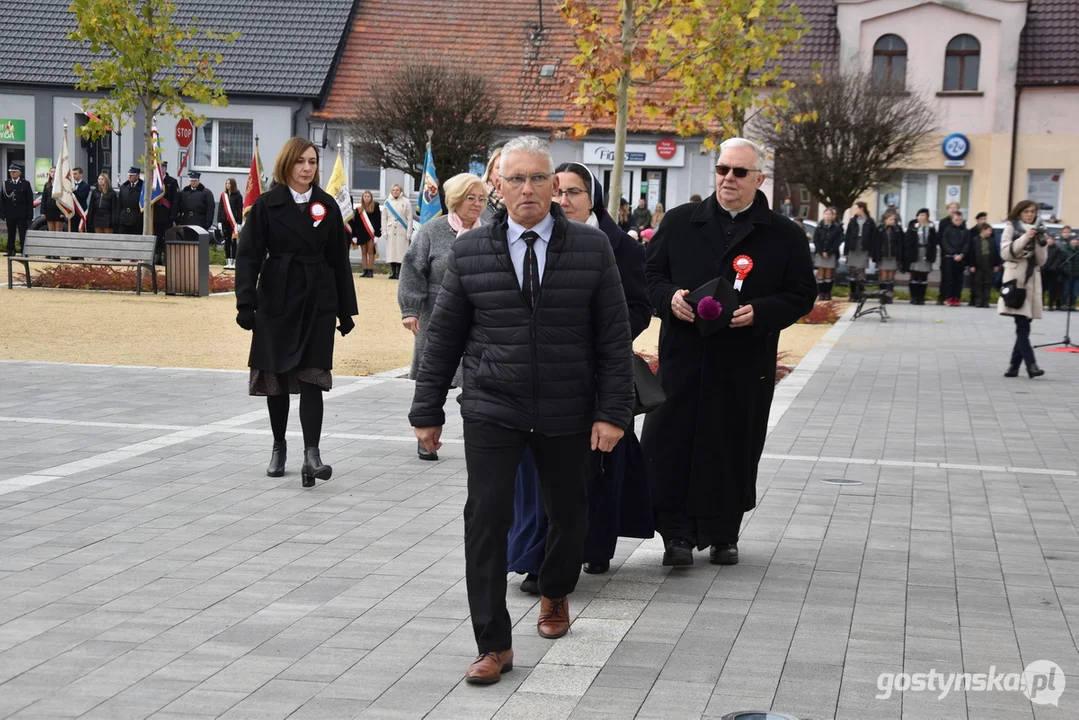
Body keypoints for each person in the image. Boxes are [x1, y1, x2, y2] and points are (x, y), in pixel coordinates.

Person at [408, 136, 634, 685]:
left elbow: (613, 335)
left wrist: (613, 413)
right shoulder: (468, 251)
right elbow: (443, 338)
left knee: (570, 514)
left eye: (538, 179)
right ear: (497, 187)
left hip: (567, 407)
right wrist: (427, 410)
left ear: (554, 186)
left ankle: (555, 591)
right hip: (492, 405)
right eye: (516, 179)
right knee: (485, 520)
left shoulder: (590, 247)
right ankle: (493, 642)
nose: (527, 189)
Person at [641, 137, 816, 568]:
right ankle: (676, 535)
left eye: (740, 172)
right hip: (684, 359)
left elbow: (802, 293)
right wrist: (670, 300)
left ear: (760, 179)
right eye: (723, 170)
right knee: (670, 443)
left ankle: (723, 533)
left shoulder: (784, 235)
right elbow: (648, 274)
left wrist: (761, 312)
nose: (729, 179)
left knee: (732, 444)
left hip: (744, 364)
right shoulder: (681, 222)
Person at [508, 161, 652, 593]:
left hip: (598, 376)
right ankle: (537, 558)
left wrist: (595, 331)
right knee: (538, 472)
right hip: (539, 380)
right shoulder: (536, 240)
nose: (563, 200)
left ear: (593, 198)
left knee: (595, 470)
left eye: (573, 192)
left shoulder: (621, 248)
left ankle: (594, 546)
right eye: (558, 192)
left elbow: (639, 309)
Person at [235, 137, 358, 488]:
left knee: (312, 377)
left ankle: (312, 454)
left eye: (313, 161)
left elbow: (338, 260)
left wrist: (345, 310)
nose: (308, 168)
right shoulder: (266, 205)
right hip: (277, 298)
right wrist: (246, 304)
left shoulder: (327, 206)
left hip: (318, 299)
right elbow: (249, 256)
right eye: (301, 162)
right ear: (287, 164)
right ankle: (278, 446)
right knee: (275, 379)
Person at [398, 173, 485, 459]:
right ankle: (425, 433)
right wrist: (410, 309)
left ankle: (478, 437)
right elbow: (412, 269)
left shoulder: (492, 231)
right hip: (436, 312)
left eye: (482, 199)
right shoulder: (431, 231)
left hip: (480, 314)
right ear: (455, 200)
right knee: (433, 375)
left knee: (476, 377)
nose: (477, 204)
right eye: (470, 198)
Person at [999, 200, 1048, 378]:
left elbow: (1042, 261)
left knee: (1025, 324)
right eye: (1026, 211)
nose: (1030, 214)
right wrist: (1026, 237)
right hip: (1015, 280)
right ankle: (1031, 365)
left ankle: (1013, 367)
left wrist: (1039, 242)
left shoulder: (1040, 229)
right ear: (1019, 213)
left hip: (1032, 281)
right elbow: (1005, 253)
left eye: (1033, 211)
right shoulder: (1011, 227)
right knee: (1022, 326)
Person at [903, 209, 937, 305]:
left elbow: (934, 241)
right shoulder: (913, 226)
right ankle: (914, 296)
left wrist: (932, 254)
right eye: (920, 215)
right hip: (916, 252)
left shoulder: (931, 227)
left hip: (926, 251)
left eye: (924, 215)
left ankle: (921, 297)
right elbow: (908, 240)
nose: (921, 217)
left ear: (927, 216)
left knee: (924, 275)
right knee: (914, 274)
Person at [844, 201, 875, 301]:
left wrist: (871, 253)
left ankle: (860, 294)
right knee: (853, 271)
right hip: (854, 247)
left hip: (864, 247)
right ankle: (853, 294)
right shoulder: (852, 220)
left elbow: (873, 238)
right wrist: (846, 251)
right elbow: (847, 236)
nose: (855, 210)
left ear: (862, 208)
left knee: (861, 272)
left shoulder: (870, 221)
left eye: (856, 208)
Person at [1, 164, 35, 254]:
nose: (12, 173)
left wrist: (30, 214)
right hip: (10, 213)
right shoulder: (6, 183)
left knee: (23, 233)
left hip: (22, 213)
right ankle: (11, 250)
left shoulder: (25, 183)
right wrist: (2, 212)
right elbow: (2, 199)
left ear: (19, 173)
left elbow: (29, 199)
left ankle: (24, 251)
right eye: (11, 172)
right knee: (11, 232)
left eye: (14, 172)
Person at [381, 183, 412, 279]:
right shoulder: (387, 202)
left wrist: (409, 232)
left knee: (401, 252)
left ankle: (400, 272)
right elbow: (384, 218)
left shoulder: (406, 201)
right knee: (392, 252)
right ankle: (393, 272)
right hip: (391, 230)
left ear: (400, 191)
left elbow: (409, 218)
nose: (395, 191)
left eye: (397, 190)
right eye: (393, 190)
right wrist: (384, 231)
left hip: (402, 229)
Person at [152, 161, 179, 264]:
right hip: (156, 214)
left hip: (167, 214)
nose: (161, 169)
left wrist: (173, 214)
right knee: (157, 237)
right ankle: (157, 256)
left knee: (166, 237)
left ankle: (166, 257)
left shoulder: (171, 181)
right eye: (159, 167)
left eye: (163, 167)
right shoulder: (154, 181)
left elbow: (175, 200)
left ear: (165, 168)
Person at [873, 209, 903, 302]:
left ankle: (889, 295)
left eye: (894, 220)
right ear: (885, 219)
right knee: (883, 275)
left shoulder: (897, 229)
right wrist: (876, 256)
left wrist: (900, 256)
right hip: (883, 255)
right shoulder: (880, 229)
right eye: (891, 219)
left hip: (893, 255)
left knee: (891, 275)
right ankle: (882, 295)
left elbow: (900, 243)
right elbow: (876, 244)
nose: (893, 221)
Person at [812, 206, 843, 300]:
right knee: (821, 273)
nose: (828, 216)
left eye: (830, 214)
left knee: (829, 273)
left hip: (831, 253)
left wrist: (829, 252)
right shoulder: (819, 227)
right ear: (823, 215)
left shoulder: (836, 228)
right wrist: (822, 252)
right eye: (826, 214)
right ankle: (821, 293)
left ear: (833, 215)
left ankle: (827, 292)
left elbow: (837, 242)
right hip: (820, 253)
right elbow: (816, 240)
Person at [967, 222, 1000, 308]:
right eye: (989, 230)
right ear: (983, 230)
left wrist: (996, 265)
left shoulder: (992, 240)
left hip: (988, 262)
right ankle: (978, 301)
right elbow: (971, 254)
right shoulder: (975, 240)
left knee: (987, 283)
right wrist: (971, 265)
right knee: (978, 283)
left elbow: (995, 253)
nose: (990, 232)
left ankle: (986, 301)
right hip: (978, 264)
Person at [940, 212, 969, 306]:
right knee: (950, 279)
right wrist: (953, 254)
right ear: (953, 220)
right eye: (956, 220)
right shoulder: (948, 230)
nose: (958, 222)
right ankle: (949, 298)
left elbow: (967, 244)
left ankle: (957, 298)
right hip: (950, 258)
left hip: (961, 258)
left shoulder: (965, 231)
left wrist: (961, 254)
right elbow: (945, 243)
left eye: (960, 220)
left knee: (959, 279)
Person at [937, 202, 963, 305]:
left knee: (956, 277)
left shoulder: (961, 223)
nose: (953, 209)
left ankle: (954, 297)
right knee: (945, 276)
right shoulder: (944, 222)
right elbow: (941, 238)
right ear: (948, 209)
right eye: (951, 208)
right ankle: (942, 296)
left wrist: (960, 253)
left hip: (959, 255)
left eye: (955, 208)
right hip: (946, 254)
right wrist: (948, 251)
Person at [217, 178, 243, 269]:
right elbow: (220, 208)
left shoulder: (238, 195)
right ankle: (228, 260)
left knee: (234, 241)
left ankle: (234, 261)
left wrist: (239, 223)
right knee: (227, 241)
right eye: (226, 183)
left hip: (234, 223)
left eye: (229, 183)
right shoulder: (223, 195)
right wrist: (219, 221)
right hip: (224, 221)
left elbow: (239, 210)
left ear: (233, 184)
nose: (227, 185)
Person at [355, 190, 381, 277]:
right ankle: (365, 270)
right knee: (363, 252)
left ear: (371, 197)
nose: (366, 198)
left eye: (368, 196)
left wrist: (377, 235)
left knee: (371, 252)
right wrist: (354, 235)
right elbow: (356, 223)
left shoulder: (375, 207)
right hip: (361, 233)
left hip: (371, 233)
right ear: (362, 198)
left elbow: (378, 221)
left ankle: (370, 270)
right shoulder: (359, 209)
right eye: (365, 196)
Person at [116, 168, 144, 234]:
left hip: (136, 218)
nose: (129, 177)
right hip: (124, 217)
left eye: (132, 175)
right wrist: (118, 217)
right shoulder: (124, 186)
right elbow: (119, 203)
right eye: (128, 175)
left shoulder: (143, 186)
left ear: (137, 176)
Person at [481, 145, 504, 222]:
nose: (503, 171)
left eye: (507, 167)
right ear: (490, 172)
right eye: (499, 167)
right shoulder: (477, 199)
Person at [1060, 229, 1079, 310]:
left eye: (1077, 240)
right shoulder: (1065, 250)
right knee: (1066, 290)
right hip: (1067, 274)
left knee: (1074, 291)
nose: (1075, 241)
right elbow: (1061, 261)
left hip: (1077, 274)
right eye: (1074, 240)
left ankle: (1072, 305)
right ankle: (1064, 304)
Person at [41, 167, 64, 232]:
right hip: (49, 210)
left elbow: (64, 199)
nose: (53, 173)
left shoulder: (61, 184)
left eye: (55, 172)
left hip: (59, 210)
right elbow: (43, 199)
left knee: (58, 230)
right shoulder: (47, 184)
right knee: (51, 230)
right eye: (51, 172)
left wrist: (63, 212)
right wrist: (43, 212)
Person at [71, 167, 91, 232]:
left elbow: (82, 197)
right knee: (72, 230)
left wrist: (74, 190)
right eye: (73, 174)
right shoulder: (70, 185)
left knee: (81, 230)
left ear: (81, 174)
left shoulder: (85, 186)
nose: (73, 175)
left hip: (81, 211)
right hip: (72, 211)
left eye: (75, 174)